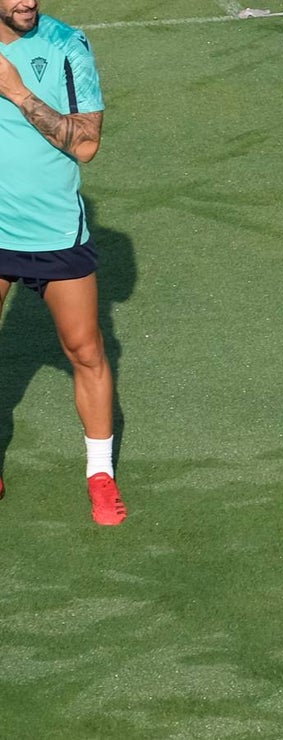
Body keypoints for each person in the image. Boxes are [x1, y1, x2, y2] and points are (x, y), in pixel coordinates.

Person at [0, 0, 125, 525]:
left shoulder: (66, 45)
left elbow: (88, 144)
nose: (26, 1)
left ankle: (100, 475)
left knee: (86, 350)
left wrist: (16, 91)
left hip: (54, 231)